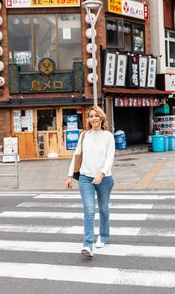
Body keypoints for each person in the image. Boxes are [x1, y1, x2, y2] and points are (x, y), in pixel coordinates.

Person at [66, 106, 115, 258]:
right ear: (88, 119)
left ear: (101, 118)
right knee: (89, 210)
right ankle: (88, 244)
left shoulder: (108, 136)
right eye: (90, 116)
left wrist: (101, 173)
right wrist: (69, 175)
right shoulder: (84, 135)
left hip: (104, 179)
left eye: (96, 115)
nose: (93, 118)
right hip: (85, 177)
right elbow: (77, 155)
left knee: (103, 209)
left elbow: (110, 158)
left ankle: (104, 236)